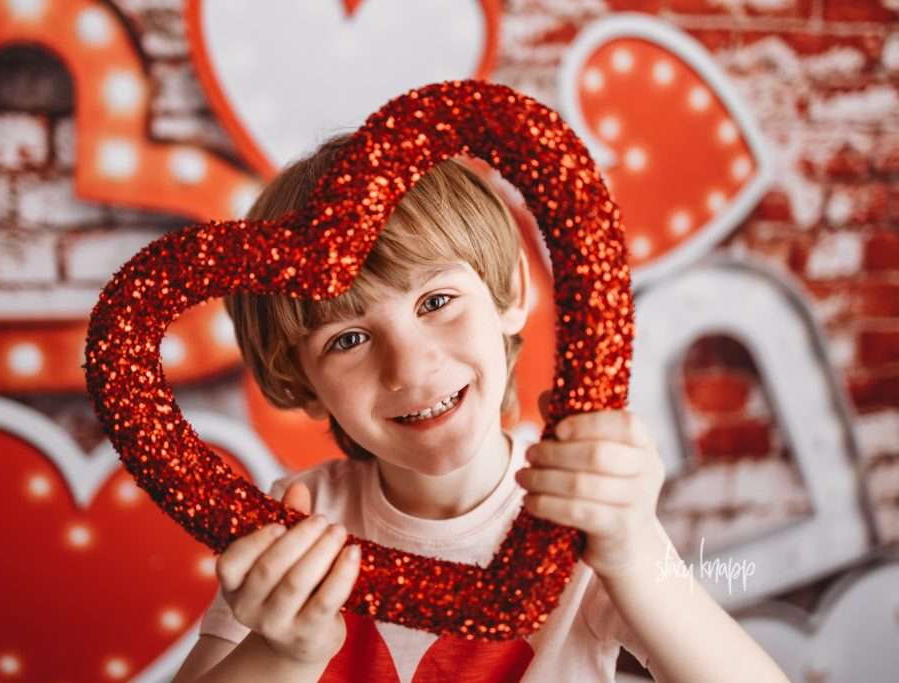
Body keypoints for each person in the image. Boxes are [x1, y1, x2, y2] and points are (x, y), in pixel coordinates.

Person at [171, 134, 789, 682]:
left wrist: (635, 556)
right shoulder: (297, 525)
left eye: (436, 301)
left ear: (510, 294)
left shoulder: (583, 517)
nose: (409, 367)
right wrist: (286, 654)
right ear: (301, 384)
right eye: (348, 339)